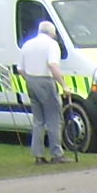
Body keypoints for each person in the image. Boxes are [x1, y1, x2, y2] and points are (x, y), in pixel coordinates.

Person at [19, 19, 65, 164]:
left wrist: (29, 78)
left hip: (31, 80)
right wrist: (64, 84)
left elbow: (20, 68)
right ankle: (56, 153)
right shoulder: (52, 45)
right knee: (53, 119)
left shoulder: (27, 44)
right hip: (46, 81)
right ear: (52, 33)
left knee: (38, 121)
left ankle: (38, 155)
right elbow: (52, 65)